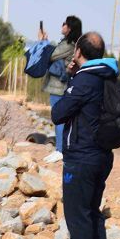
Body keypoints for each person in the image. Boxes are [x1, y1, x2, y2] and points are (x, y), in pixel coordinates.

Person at [49, 32, 118, 239]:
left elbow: (59, 113)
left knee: (78, 213)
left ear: (78, 52)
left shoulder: (85, 80)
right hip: (101, 155)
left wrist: (72, 80)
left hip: (82, 156)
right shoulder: (106, 75)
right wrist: (73, 78)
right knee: (92, 212)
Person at [40, 16, 82, 153]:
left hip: (59, 85)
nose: (62, 26)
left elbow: (51, 55)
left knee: (59, 116)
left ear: (70, 28)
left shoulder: (68, 44)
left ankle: (60, 150)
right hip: (61, 84)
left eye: (64, 24)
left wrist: (43, 42)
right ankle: (62, 147)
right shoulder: (70, 43)